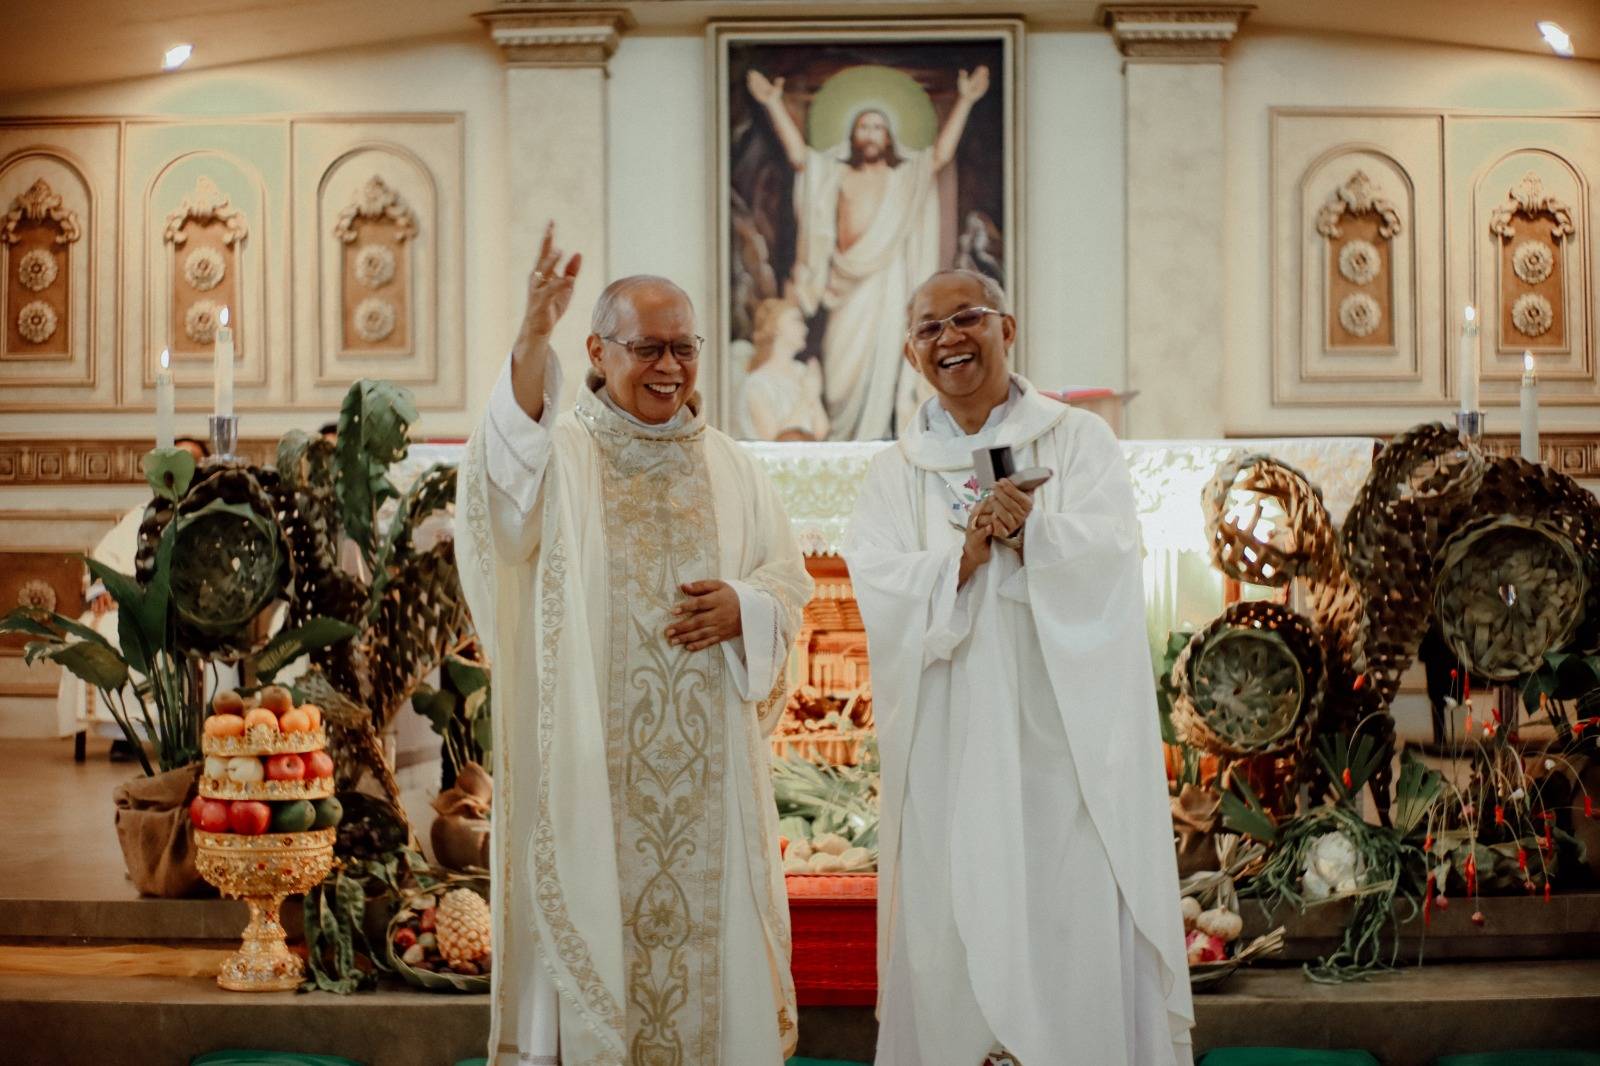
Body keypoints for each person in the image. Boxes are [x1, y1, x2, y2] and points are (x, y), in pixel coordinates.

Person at [454, 224, 813, 1066]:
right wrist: (529, 336)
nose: (669, 368)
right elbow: (502, 498)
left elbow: (787, 579)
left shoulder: (730, 465)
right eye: (648, 348)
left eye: (684, 348)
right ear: (597, 351)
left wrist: (748, 608)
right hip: (593, 775)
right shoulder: (564, 453)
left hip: (710, 780)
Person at [843, 270, 1194, 1066]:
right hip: (951, 741)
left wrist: (1034, 532)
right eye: (929, 329)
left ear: (1007, 329)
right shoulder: (897, 471)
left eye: (967, 318)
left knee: (1068, 912)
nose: (949, 339)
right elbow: (880, 586)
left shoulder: (1077, 441)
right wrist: (964, 556)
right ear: (910, 353)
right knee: (953, 922)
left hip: (1062, 741)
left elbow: (1114, 557)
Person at [747, 65, 991, 441]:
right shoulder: (839, 176)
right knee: (839, 380)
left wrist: (966, 101)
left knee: (888, 371)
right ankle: (841, 440)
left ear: (889, 136)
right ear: (853, 135)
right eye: (864, 127)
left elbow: (939, 156)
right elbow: (801, 159)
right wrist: (773, 104)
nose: (871, 134)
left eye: (878, 127)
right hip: (845, 287)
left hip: (887, 285)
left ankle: (877, 441)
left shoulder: (901, 179)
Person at [60, 435, 212, 756]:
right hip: (126, 606)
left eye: (188, 462)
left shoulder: (209, 516)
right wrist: (103, 588)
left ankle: (179, 732)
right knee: (101, 632)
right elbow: (105, 557)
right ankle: (124, 734)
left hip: (182, 611)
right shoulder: (142, 514)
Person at [737, 297, 830, 441]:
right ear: (775, 327)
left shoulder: (802, 371)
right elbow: (777, 440)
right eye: (796, 321)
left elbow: (821, 431)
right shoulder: (757, 384)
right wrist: (806, 397)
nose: (805, 329)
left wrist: (813, 393)